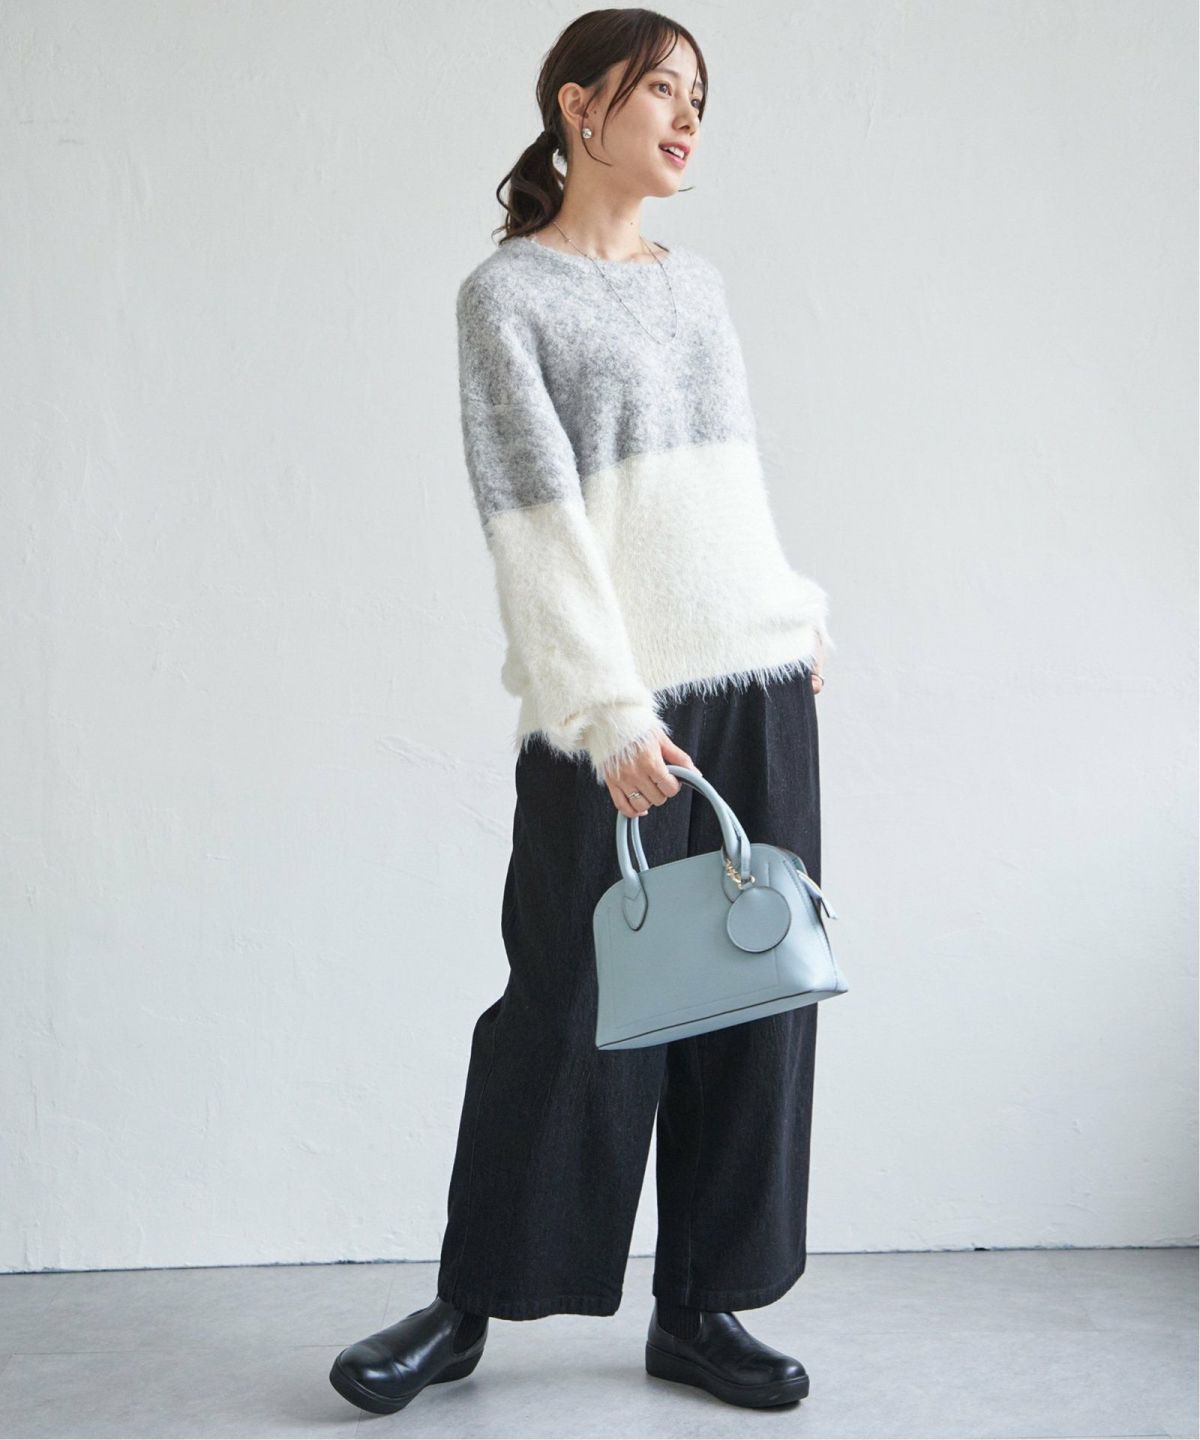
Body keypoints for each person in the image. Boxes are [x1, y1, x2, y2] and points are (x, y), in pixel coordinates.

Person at [329, 6, 833, 1417]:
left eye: (698, 96)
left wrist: (795, 610)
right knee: (567, 1004)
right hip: (615, 704)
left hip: (758, 681)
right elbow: (534, 525)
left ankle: (704, 1307)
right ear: (578, 104)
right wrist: (608, 711)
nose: (687, 116)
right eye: (660, 88)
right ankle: (469, 1303)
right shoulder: (508, 297)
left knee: (755, 1002)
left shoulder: (700, 287)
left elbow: (726, 482)